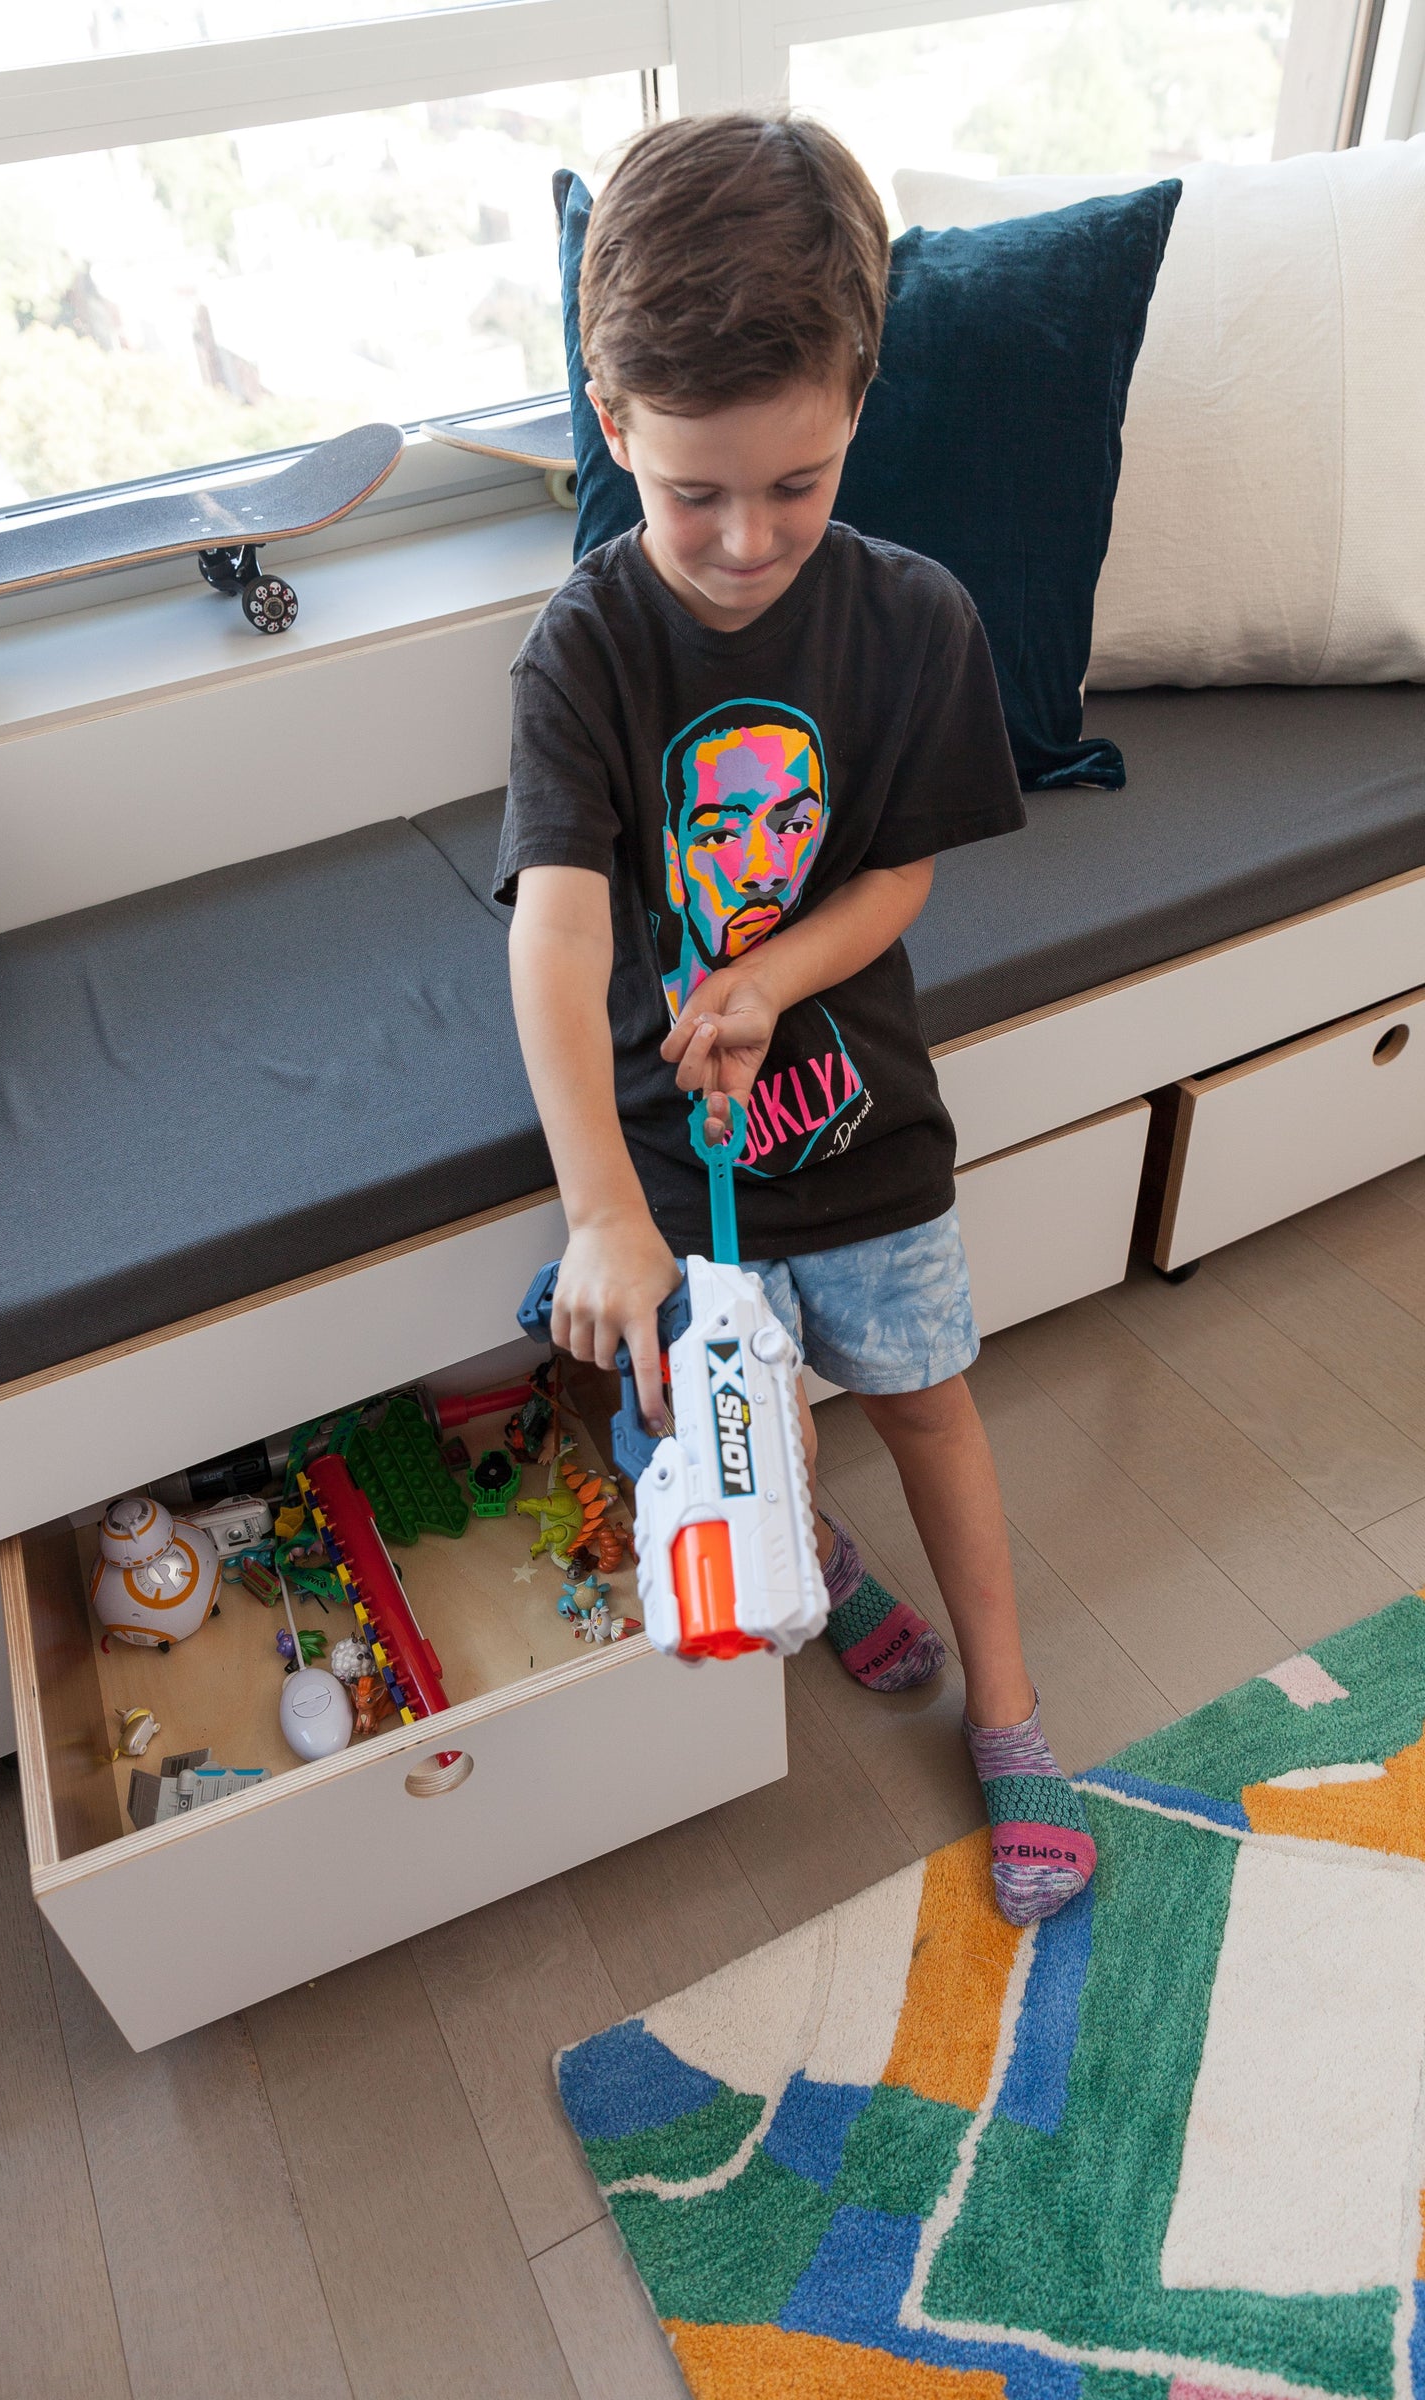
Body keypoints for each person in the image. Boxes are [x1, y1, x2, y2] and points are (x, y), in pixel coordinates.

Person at [495, 110, 1095, 1926]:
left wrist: (767, 975)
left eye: (799, 483)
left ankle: (1009, 1716)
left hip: (865, 1136)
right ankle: (812, 1557)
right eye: (695, 493)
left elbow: (900, 874)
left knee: (926, 1409)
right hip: (677, 1178)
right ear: (613, 422)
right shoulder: (582, 651)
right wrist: (604, 1210)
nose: (746, 541)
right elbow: (556, 932)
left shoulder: (915, 622)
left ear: (856, 403)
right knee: (727, 1430)